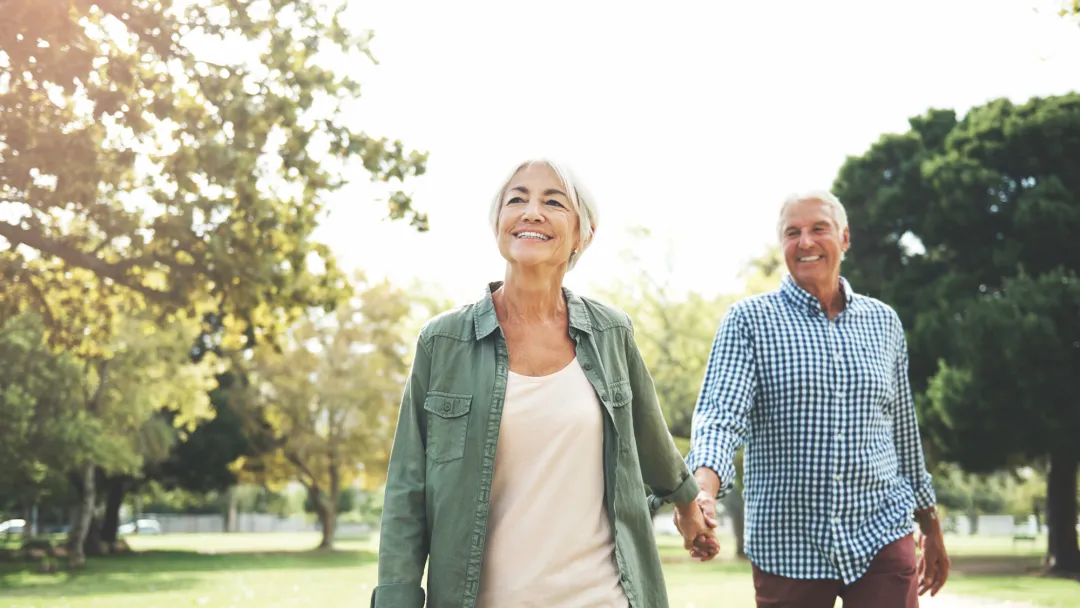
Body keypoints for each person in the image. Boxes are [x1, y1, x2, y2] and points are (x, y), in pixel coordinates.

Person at [372, 159, 718, 608]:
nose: (531, 211)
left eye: (552, 202)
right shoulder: (443, 342)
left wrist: (690, 508)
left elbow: (650, 440)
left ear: (582, 234)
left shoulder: (612, 333)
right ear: (498, 223)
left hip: (603, 596)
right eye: (517, 199)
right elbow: (407, 489)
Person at [682, 191, 950, 608]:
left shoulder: (883, 322)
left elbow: (902, 431)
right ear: (782, 245)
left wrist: (929, 522)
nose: (805, 241)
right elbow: (720, 416)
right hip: (788, 544)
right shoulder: (749, 321)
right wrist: (702, 490)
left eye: (818, 229)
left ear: (844, 238)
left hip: (881, 530)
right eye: (793, 232)